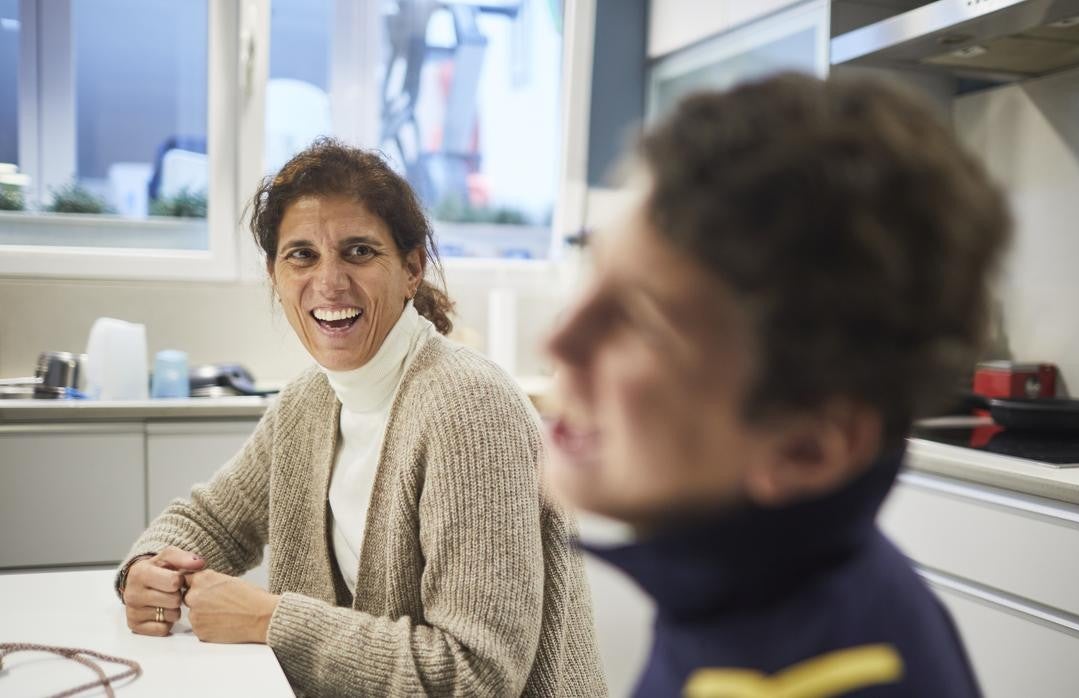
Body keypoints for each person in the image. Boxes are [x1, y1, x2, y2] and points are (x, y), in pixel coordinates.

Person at [544, 73, 1010, 697]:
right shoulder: (758, 583)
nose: (558, 341)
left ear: (805, 448)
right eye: (595, 272)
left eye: (643, 320)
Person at [115, 139, 607, 696]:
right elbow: (212, 520)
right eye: (301, 255)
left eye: (359, 251)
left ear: (411, 269)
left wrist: (269, 621)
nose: (329, 283)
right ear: (276, 277)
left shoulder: (469, 408)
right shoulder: (308, 402)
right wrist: (148, 568)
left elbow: (474, 675)